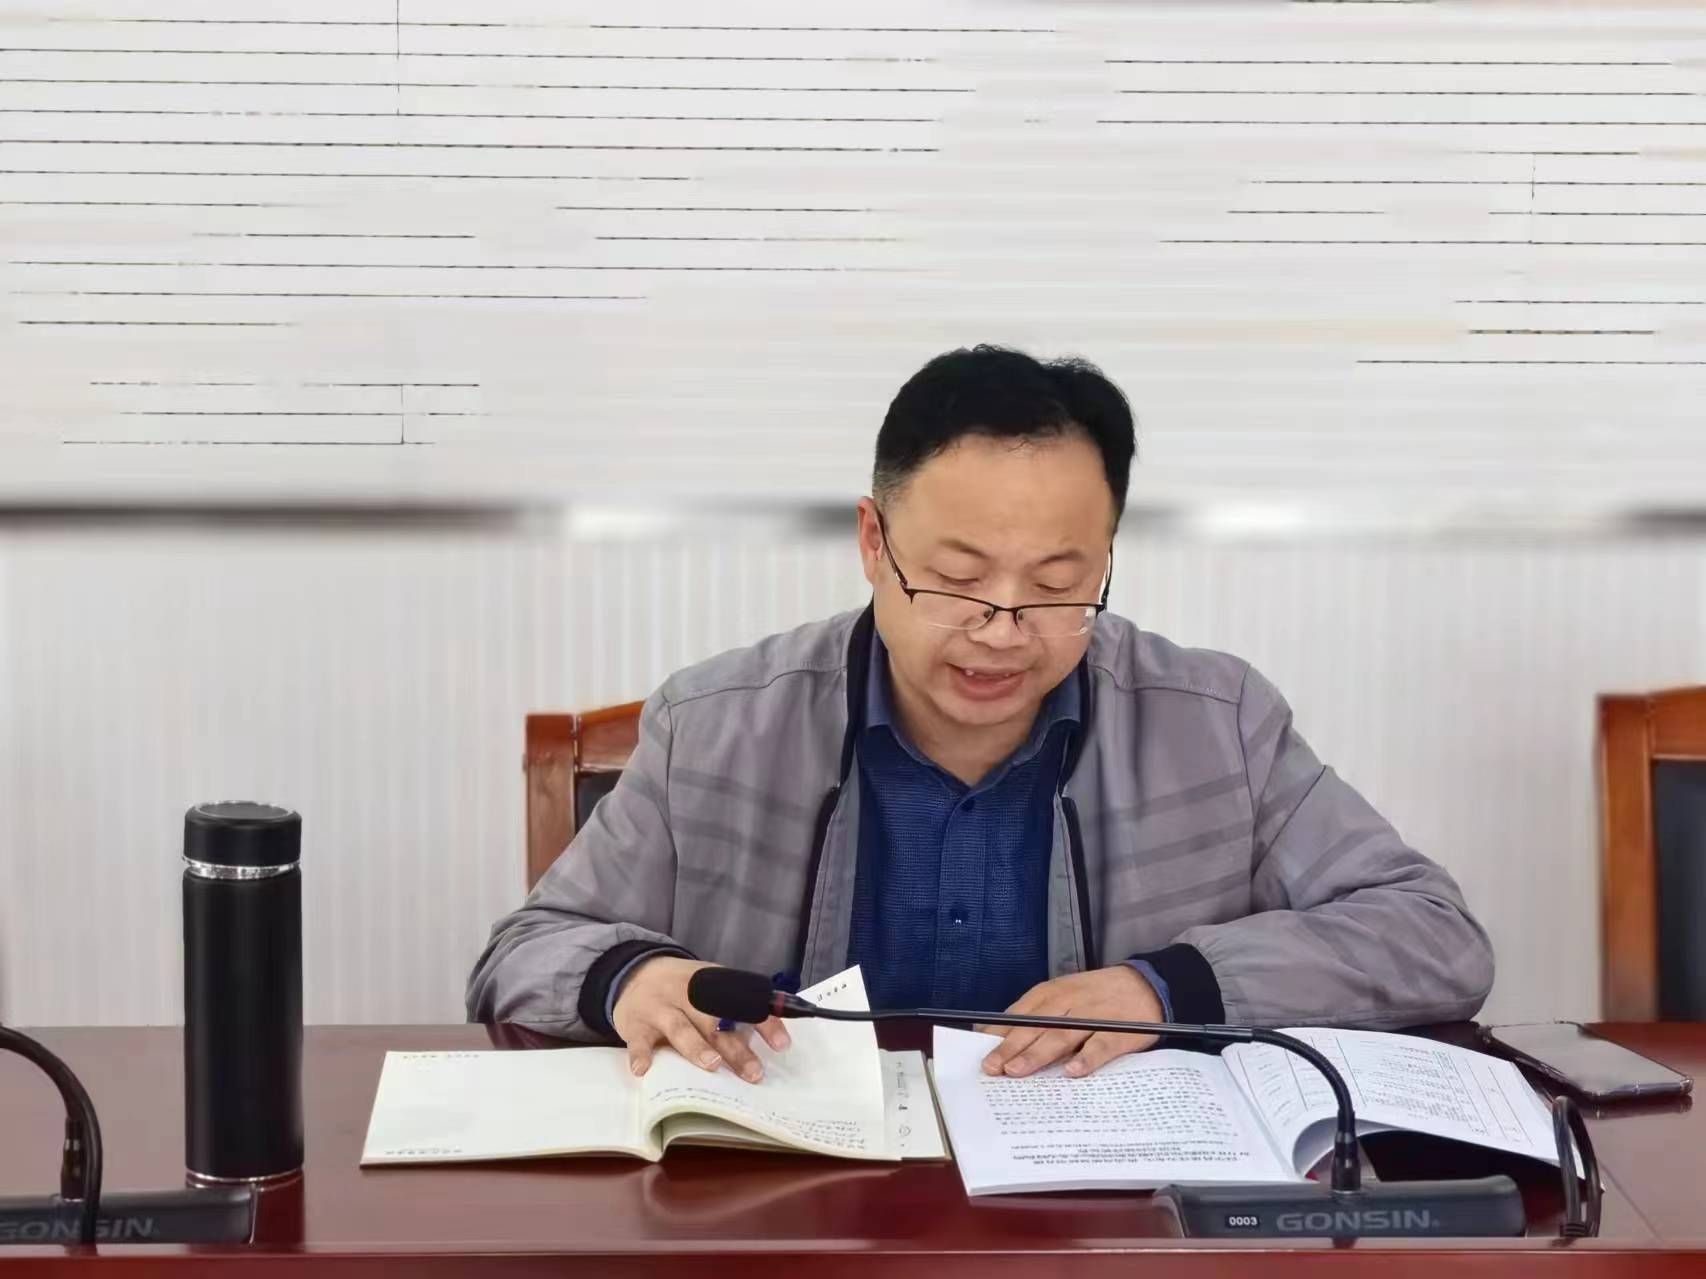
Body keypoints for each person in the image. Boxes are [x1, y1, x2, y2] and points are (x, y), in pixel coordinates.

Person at [467, 346, 1493, 1085]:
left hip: (1095, 1221)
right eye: (957, 578)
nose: (1003, 631)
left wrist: (1170, 987)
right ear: (874, 543)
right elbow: (523, 951)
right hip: (794, 1213)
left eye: (1055, 583)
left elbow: (1432, 936)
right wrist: (630, 976)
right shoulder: (715, 726)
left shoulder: (1215, 724)